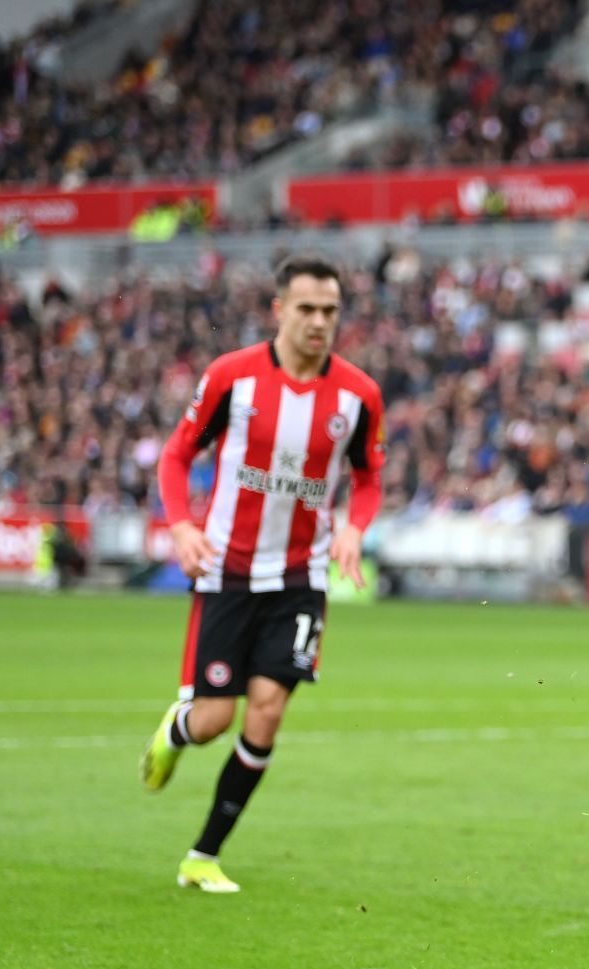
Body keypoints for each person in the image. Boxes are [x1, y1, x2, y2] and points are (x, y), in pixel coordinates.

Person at [139, 254, 386, 893]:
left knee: (268, 712)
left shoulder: (358, 395)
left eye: (330, 311)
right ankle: (176, 728)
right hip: (227, 570)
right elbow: (175, 455)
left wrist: (355, 527)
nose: (319, 322)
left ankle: (203, 855)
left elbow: (368, 477)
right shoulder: (232, 378)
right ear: (279, 310)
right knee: (215, 718)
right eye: (306, 309)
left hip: (301, 579)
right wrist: (182, 525)